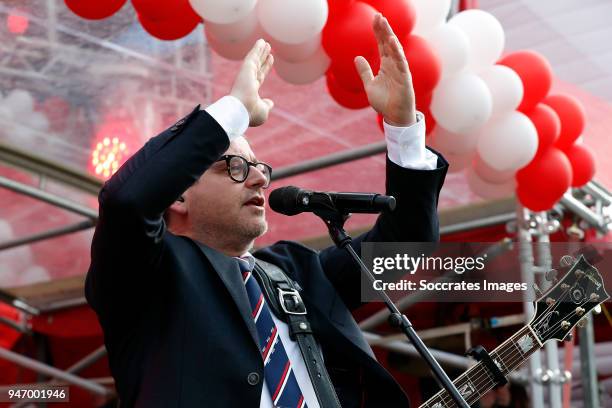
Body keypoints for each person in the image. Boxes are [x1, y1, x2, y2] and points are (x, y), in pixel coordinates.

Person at [86, 14, 447, 408]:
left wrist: (402, 129)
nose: (259, 179)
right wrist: (234, 111)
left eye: (260, 168)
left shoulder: (298, 272)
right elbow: (127, 201)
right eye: (236, 167)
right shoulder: (145, 274)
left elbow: (406, 243)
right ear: (178, 196)